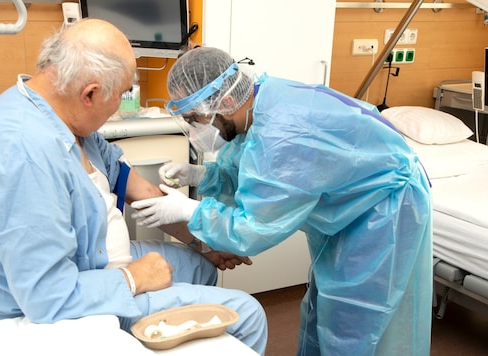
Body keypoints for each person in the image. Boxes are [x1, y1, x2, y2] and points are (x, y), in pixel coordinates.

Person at [0, 20, 267, 354]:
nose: (119, 105)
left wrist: (205, 243)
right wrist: (134, 279)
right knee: (247, 314)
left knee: (201, 266)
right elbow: (46, 295)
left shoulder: (65, 119)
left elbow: (141, 192)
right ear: (89, 93)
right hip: (69, 295)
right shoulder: (24, 151)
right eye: (119, 95)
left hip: (93, 256)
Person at [130, 46, 433, 355]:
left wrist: (190, 210)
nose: (195, 132)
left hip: (383, 207)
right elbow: (252, 171)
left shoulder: (283, 132)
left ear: (227, 101)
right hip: (349, 204)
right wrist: (200, 175)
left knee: (353, 318)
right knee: (325, 303)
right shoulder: (259, 105)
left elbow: (256, 226)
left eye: (196, 120)